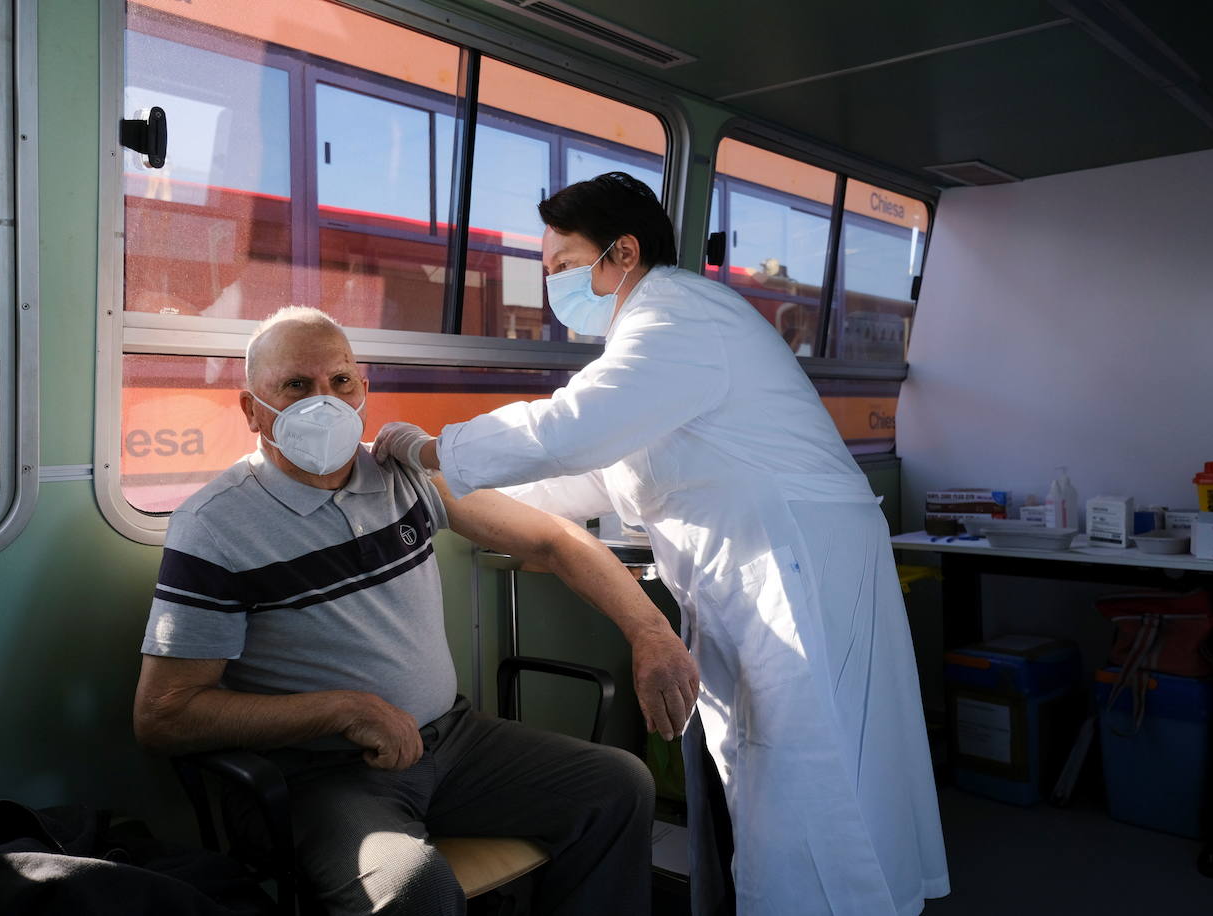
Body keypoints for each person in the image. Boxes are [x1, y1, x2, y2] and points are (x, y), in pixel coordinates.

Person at [373, 172, 950, 915]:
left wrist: (430, 451)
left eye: (562, 266)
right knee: (774, 777)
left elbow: (570, 427)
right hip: (760, 569)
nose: (552, 284)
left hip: (796, 566)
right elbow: (597, 476)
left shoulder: (680, 317)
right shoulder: (645, 346)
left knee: (809, 778)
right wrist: (453, 494)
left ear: (622, 253)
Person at [132, 306, 699, 916]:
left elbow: (553, 540)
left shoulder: (402, 475)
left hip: (452, 742)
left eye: (340, 382)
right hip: (322, 774)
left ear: (364, 392)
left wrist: (651, 631)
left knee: (618, 785)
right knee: (413, 887)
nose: (323, 401)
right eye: (296, 386)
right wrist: (342, 711)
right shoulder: (216, 526)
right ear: (251, 410)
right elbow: (165, 715)